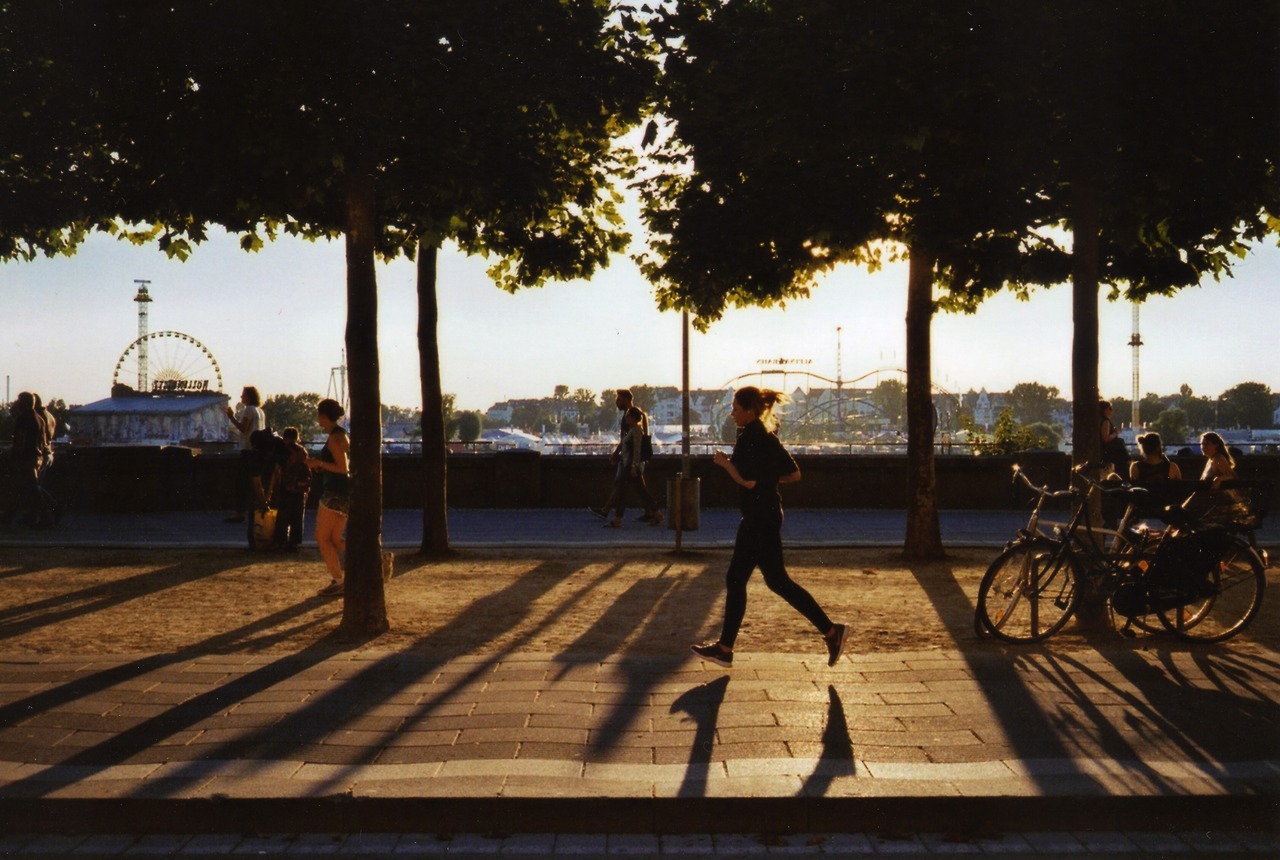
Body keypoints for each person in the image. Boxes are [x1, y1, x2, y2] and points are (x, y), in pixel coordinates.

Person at [691, 386, 846, 669]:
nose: (732, 412)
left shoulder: (750, 439)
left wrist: (726, 464)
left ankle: (725, 650)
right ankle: (832, 632)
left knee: (738, 579)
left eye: (736, 408)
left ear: (750, 411)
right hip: (768, 514)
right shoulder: (767, 436)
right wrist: (769, 481)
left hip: (758, 518)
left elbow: (747, 481)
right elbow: (794, 473)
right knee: (776, 581)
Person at [590, 388, 661, 526]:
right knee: (637, 489)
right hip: (631, 461)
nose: (617, 402)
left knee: (622, 486)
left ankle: (611, 514)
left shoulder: (630, 419)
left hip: (629, 461)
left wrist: (618, 455)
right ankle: (653, 513)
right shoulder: (634, 416)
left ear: (626, 400)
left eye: (619, 399)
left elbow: (628, 442)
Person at [306, 399, 350, 596]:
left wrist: (319, 463)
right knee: (333, 538)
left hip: (334, 491)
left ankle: (338, 580)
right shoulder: (341, 435)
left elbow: (342, 468)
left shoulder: (334, 438)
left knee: (322, 538)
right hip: (343, 491)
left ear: (324, 416)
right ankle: (371, 558)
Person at [0, 392, 52, 528]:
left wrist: (15, 457)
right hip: (35, 458)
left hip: (25, 460)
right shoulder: (39, 419)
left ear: (24, 403)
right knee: (22, 488)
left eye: (19, 400)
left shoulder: (23, 419)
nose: (16, 403)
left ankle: (47, 518)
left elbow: (20, 442)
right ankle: (8, 516)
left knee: (29, 490)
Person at [599, 406, 649, 528]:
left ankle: (617, 519)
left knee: (622, 492)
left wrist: (633, 466)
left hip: (631, 466)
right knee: (641, 491)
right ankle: (657, 514)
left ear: (632, 418)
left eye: (628, 416)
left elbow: (636, 450)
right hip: (630, 465)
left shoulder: (636, 431)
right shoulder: (633, 430)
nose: (626, 418)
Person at [225, 386, 266, 523]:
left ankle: (239, 513)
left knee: (241, 484)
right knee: (256, 483)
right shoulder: (260, 411)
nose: (241, 398)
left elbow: (243, 428)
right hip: (258, 450)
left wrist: (231, 417)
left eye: (243, 395)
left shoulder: (248, 410)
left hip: (247, 450)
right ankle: (264, 507)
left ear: (249, 396)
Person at [270, 427, 311, 552]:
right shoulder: (302, 451)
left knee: (283, 515)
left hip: (286, 487)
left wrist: (269, 491)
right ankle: (294, 542)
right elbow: (308, 469)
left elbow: (276, 472)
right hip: (300, 488)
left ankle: (281, 541)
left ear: (285, 438)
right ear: (297, 438)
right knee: (298, 516)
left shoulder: (283, 451)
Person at [1099, 400, 1128, 472]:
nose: (1111, 411)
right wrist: (1115, 433)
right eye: (1110, 408)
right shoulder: (1106, 421)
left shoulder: (1099, 420)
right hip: (1108, 453)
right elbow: (1105, 438)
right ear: (1105, 410)